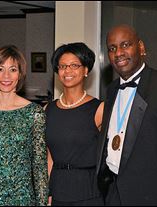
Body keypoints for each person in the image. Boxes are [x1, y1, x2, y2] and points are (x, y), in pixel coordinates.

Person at [97, 24, 157, 206]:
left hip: (153, 199)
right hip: (113, 196)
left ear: (141, 47)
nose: (118, 53)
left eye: (125, 45)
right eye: (112, 48)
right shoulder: (111, 90)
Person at [0, 45, 48, 206]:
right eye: (0, 69)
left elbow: (39, 166)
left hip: (21, 198)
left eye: (12, 69)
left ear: (20, 74)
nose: (6, 76)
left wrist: (42, 202)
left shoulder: (35, 113)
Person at [45, 42, 105, 206]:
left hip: (89, 193)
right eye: (63, 66)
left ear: (86, 70)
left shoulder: (100, 109)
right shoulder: (47, 110)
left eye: (74, 65)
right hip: (57, 192)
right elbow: (49, 156)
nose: (68, 71)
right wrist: (47, 192)